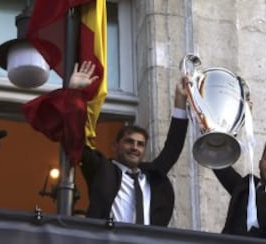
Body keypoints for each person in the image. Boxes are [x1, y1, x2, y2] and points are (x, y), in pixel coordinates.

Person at [69, 61, 189, 226]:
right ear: (115, 146)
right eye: (129, 142)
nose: (135, 148)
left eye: (140, 144)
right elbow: (76, 141)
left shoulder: (152, 174)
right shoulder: (102, 169)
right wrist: (74, 92)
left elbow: (173, 147)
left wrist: (180, 101)